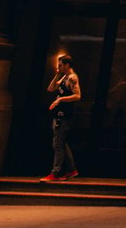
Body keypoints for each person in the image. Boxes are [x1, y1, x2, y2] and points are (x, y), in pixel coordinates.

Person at [42, 53, 82, 182]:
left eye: (60, 65)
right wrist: (57, 74)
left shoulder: (72, 78)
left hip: (63, 116)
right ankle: (72, 169)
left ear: (67, 65)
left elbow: (77, 96)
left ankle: (56, 172)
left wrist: (60, 100)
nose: (58, 67)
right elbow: (50, 89)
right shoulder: (64, 77)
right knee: (61, 143)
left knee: (58, 145)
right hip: (58, 114)